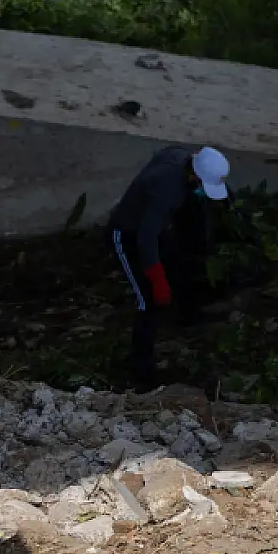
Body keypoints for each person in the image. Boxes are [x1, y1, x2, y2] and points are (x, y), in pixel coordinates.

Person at [108, 145, 230, 388]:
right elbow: (146, 239)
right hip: (129, 235)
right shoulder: (167, 193)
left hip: (156, 228)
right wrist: (157, 279)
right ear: (194, 176)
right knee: (148, 300)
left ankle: (189, 315)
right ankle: (141, 373)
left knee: (181, 263)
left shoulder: (179, 157)